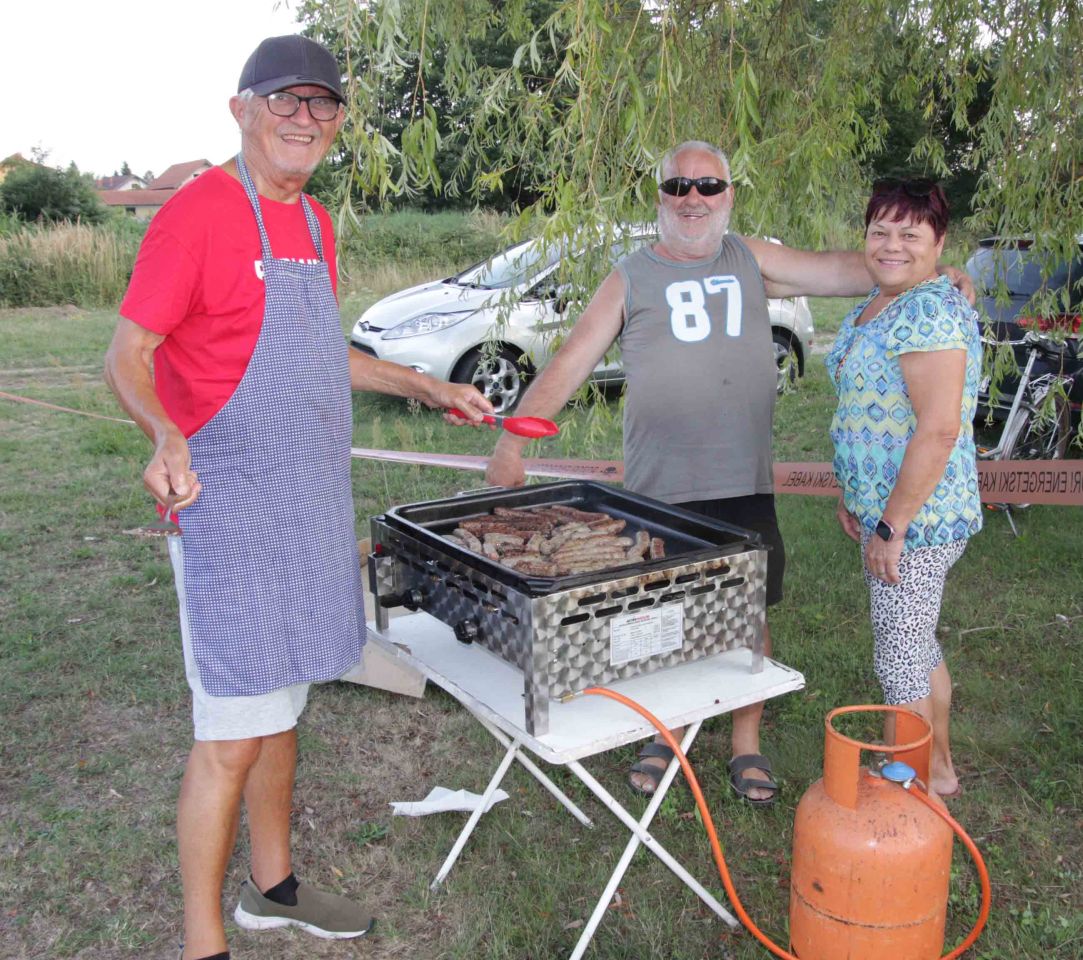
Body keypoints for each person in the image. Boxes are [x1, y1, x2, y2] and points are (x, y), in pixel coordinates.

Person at [104, 35, 492, 960]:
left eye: (321, 104)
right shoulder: (196, 216)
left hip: (309, 502)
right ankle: (205, 945)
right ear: (241, 108)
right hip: (227, 506)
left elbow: (325, 354)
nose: (303, 118)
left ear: (338, 124)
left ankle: (273, 887)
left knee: (286, 708)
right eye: (283, 99)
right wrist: (164, 433)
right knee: (233, 730)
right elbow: (126, 351)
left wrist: (428, 387)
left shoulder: (314, 225)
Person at [485, 140, 974, 805]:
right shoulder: (630, 275)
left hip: (742, 479)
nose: (692, 199)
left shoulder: (749, 258)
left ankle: (746, 742)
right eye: (677, 187)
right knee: (662, 613)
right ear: (659, 196)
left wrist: (934, 275)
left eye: (707, 187)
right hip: (659, 484)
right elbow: (569, 363)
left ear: (728, 195)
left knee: (747, 616)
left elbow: (853, 268)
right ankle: (667, 731)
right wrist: (511, 445)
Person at [826, 178, 982, 800]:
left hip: (916, 522)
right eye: (880, 232)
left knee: (900, 658)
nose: (891, 245)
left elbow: (940, 429)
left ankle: (910, 788)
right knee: (916, 641)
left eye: (910, 235)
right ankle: (937, 771)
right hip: (887, 513)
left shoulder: (927, 309)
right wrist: (855, 498)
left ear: (938, 242)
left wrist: (889, 526)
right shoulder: (881, 298)